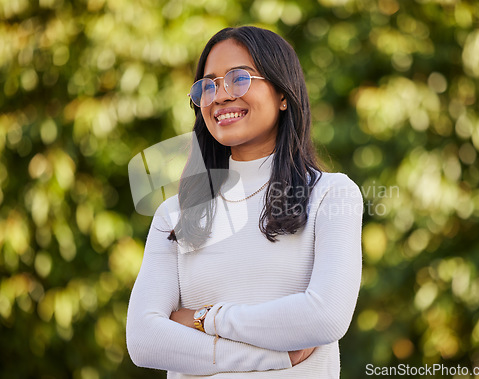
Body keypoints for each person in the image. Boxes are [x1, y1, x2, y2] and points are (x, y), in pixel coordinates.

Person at [126, 26, 363, 378]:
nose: (219, 96)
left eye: (238, 79)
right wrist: (274, 357)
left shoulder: (331, 195)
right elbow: (144, 340)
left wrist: (204, 319)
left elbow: (325, 316)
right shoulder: (174, 215)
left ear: (283, 93)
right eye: (208, 85)